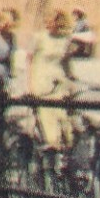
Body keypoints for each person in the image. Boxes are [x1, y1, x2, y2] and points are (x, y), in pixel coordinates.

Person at [27, 11, 78, 147]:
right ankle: (51, 144)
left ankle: (66, 147)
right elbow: (29, 60)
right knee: (47, 117)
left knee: (63, 118)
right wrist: (30, 84)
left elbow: (66, 61)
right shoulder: (39, 38)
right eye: (46, 21)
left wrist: (71, 77)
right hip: (41, 80)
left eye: (50, 21)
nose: (47, 23)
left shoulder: (65, 40)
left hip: (59, 81)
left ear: (58, 23)